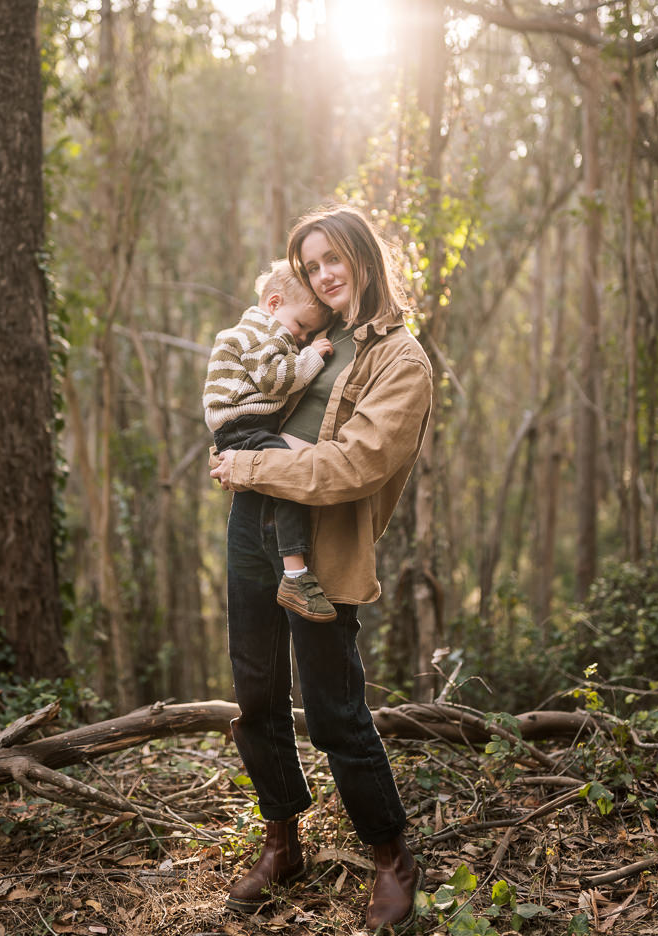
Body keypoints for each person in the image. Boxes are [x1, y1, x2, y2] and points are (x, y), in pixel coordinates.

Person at [210, 203, 433, 933]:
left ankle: (391, 858)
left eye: (333, 258)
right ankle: (282, 844)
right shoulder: (307, 332)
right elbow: (248, 392)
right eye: (311, 265)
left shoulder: (400, 360)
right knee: (256, 694)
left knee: (335, 708)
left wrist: (249, 463)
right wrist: (235, 443)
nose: (323, 275)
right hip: (253, 524)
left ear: (364, 256)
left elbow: (355, 465)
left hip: (323, 544)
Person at [203, 260, 337, 621]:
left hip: (244, 427)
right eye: (301, 326)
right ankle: (295, 575)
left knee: (280, 479)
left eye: (309, 333)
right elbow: (274, 380)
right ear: (274, 303)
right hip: (244, 427)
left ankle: (292, 571)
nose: (302, 337)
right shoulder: (261, 331)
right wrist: (311, 357)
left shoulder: (259, 329)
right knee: (287, 475)